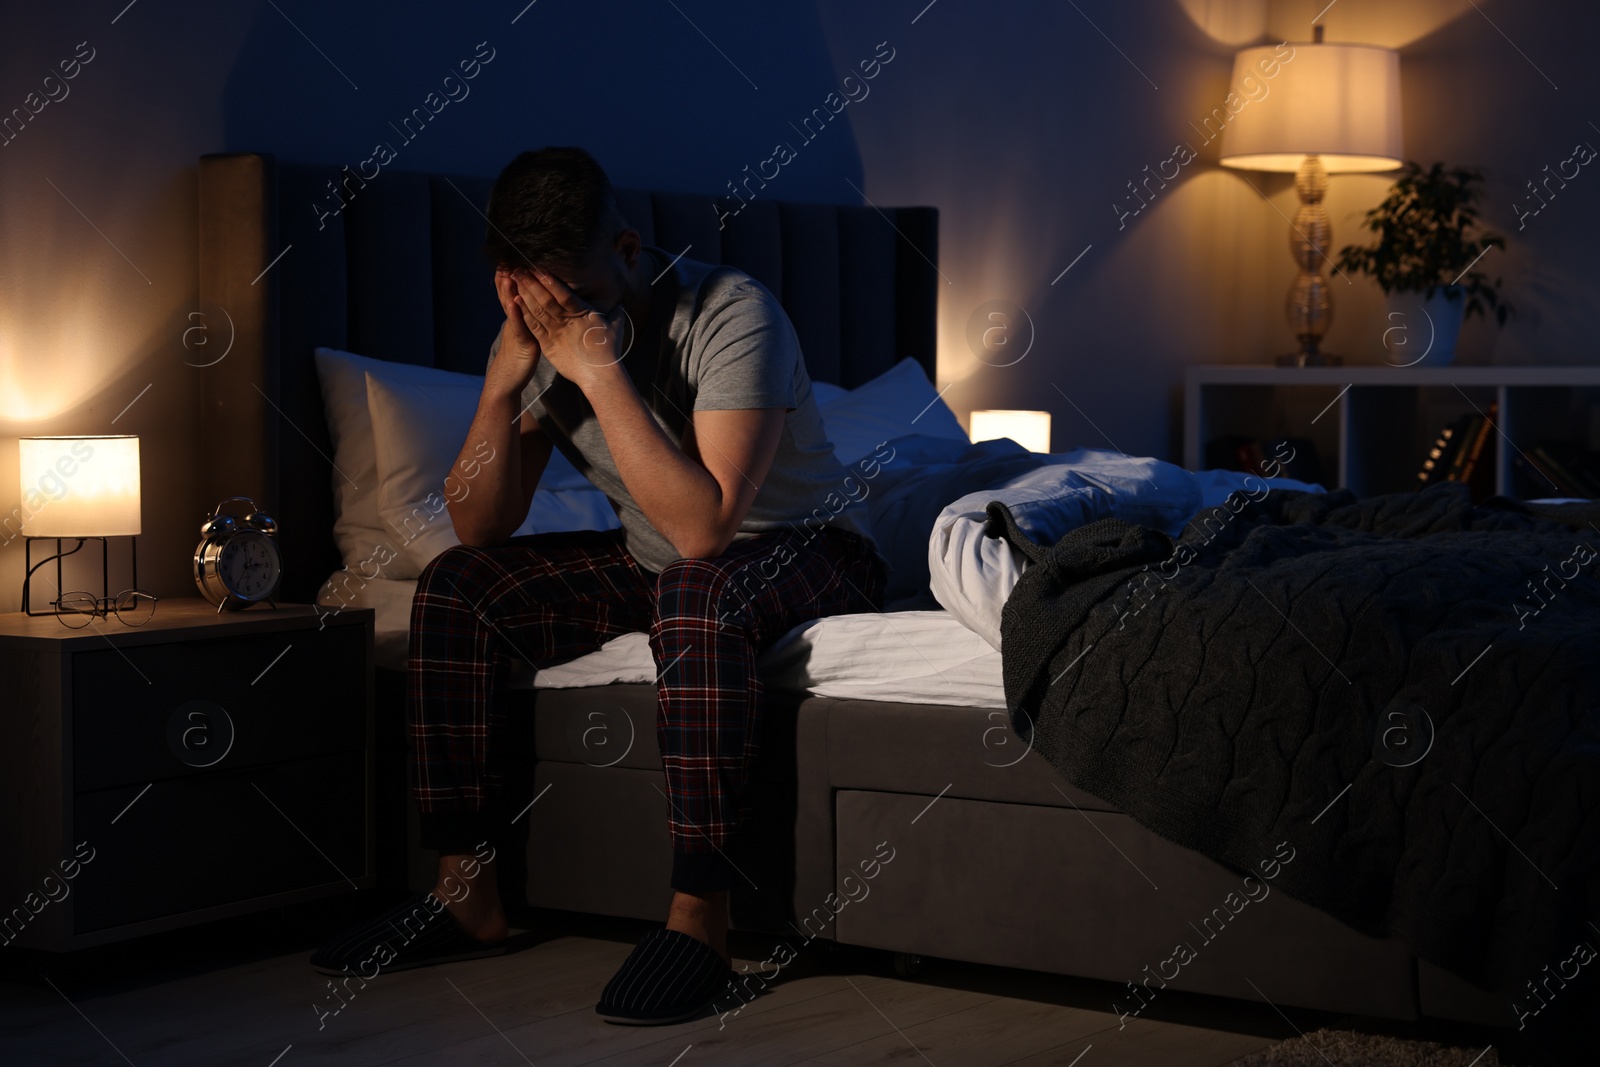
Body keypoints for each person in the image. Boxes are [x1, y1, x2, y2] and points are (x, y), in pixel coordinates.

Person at [311, 147, 887, 1025]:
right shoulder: (539, 336)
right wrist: (503, 388)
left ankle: (699, 919)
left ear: (627, 249)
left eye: (574, 297)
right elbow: (480, 525)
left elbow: (706, 528)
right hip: (657, 558)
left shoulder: (733, 314)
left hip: (809, 549)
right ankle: (469, 894)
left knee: (696, 590)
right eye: (532, 301)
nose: (556, 317)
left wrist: (597, 368)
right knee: (457, 585)